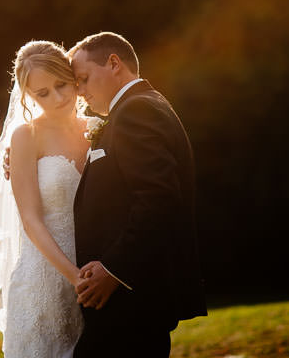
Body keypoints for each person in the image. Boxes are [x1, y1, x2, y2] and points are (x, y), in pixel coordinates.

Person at [69, 32, 206, 358]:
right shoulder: (133, 111)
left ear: (114, 63)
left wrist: (114, 269)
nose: (81, 92)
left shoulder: (136, 111)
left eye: (84, 79)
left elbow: (158, 199)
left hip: (134, 294)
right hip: (131, 298)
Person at [0, 40, 92, 358]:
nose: (58, 98)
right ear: (27, 96)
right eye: (42, 93)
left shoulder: (100, 129)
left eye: (61, 85)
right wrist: (73, 276)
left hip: (95, 266)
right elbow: (30, 219)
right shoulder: (24, 137)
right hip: (45, 275)